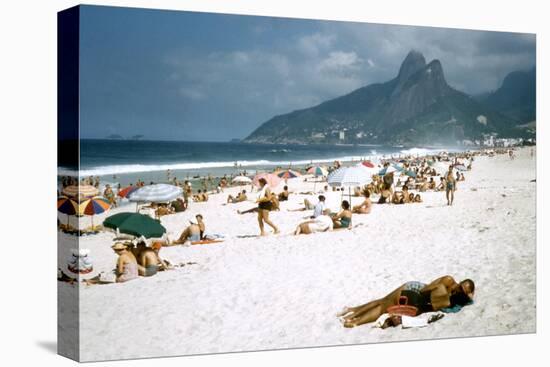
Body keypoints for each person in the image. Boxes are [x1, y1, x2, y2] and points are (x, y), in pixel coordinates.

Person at [337, 276, 475, 328]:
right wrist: (439, 291)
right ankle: (353, 318)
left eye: (463, 292)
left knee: (383, 303)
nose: (459, 291)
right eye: (460, 287)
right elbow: (427, 288)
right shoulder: (448, 281)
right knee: (383, 304)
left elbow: (470, 300)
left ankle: (352, 313)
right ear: (460, 282)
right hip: (414, 289)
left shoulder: (459, 299)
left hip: (418, 300)